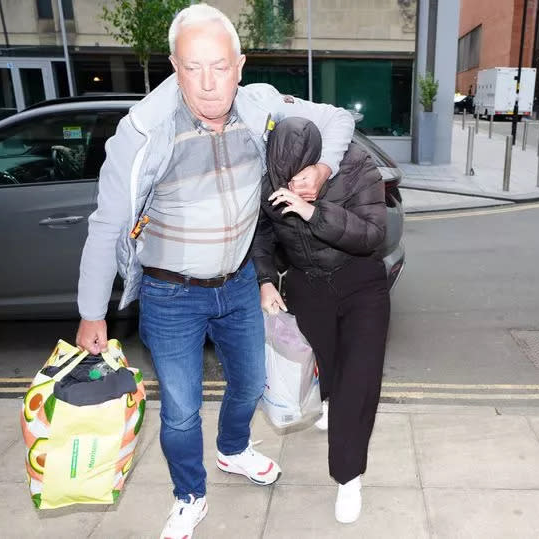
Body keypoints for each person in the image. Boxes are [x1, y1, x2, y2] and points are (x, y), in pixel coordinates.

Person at [74, 4, 354, 538]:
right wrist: (92, 313)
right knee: (180, 410)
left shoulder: (259, 106)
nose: (207, 83)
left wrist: (321, 167)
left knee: (249, 386)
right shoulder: (141, 132)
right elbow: (106, 222)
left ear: (240, 64)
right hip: (170, 294)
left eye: (219, 66)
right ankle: (189, 494)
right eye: (192, 67)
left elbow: (339, 119)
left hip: (240, 284)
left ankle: (233, 449)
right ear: (174, 68)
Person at [252, 117, 390, 524]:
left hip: (360, 280)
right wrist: (264, 280)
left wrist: (314, 212)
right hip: (306, 283)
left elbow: (372, 235)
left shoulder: (357, 165)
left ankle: (348, 478)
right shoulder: (264, 175)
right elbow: (260, 233)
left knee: (358, 381)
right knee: (323, 369)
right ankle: (329, 400)